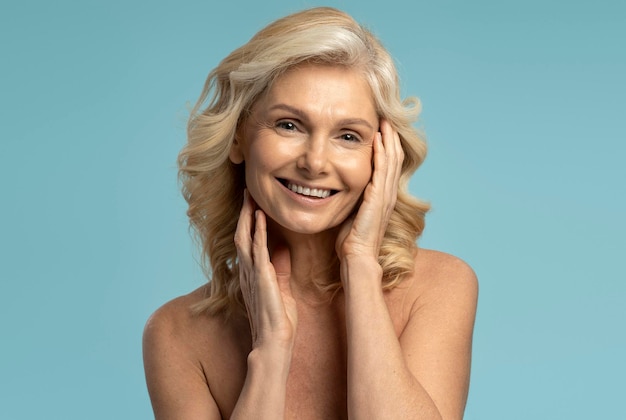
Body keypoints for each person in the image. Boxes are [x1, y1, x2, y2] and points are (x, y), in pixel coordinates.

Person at [142, 7, 478, 420]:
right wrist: (270, 353)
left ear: (382, 155)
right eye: (289, 125)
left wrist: (360, 267)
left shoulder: (439, 287)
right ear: (238, 137)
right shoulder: (177, 335)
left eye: (348, 135)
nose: (315, 162)